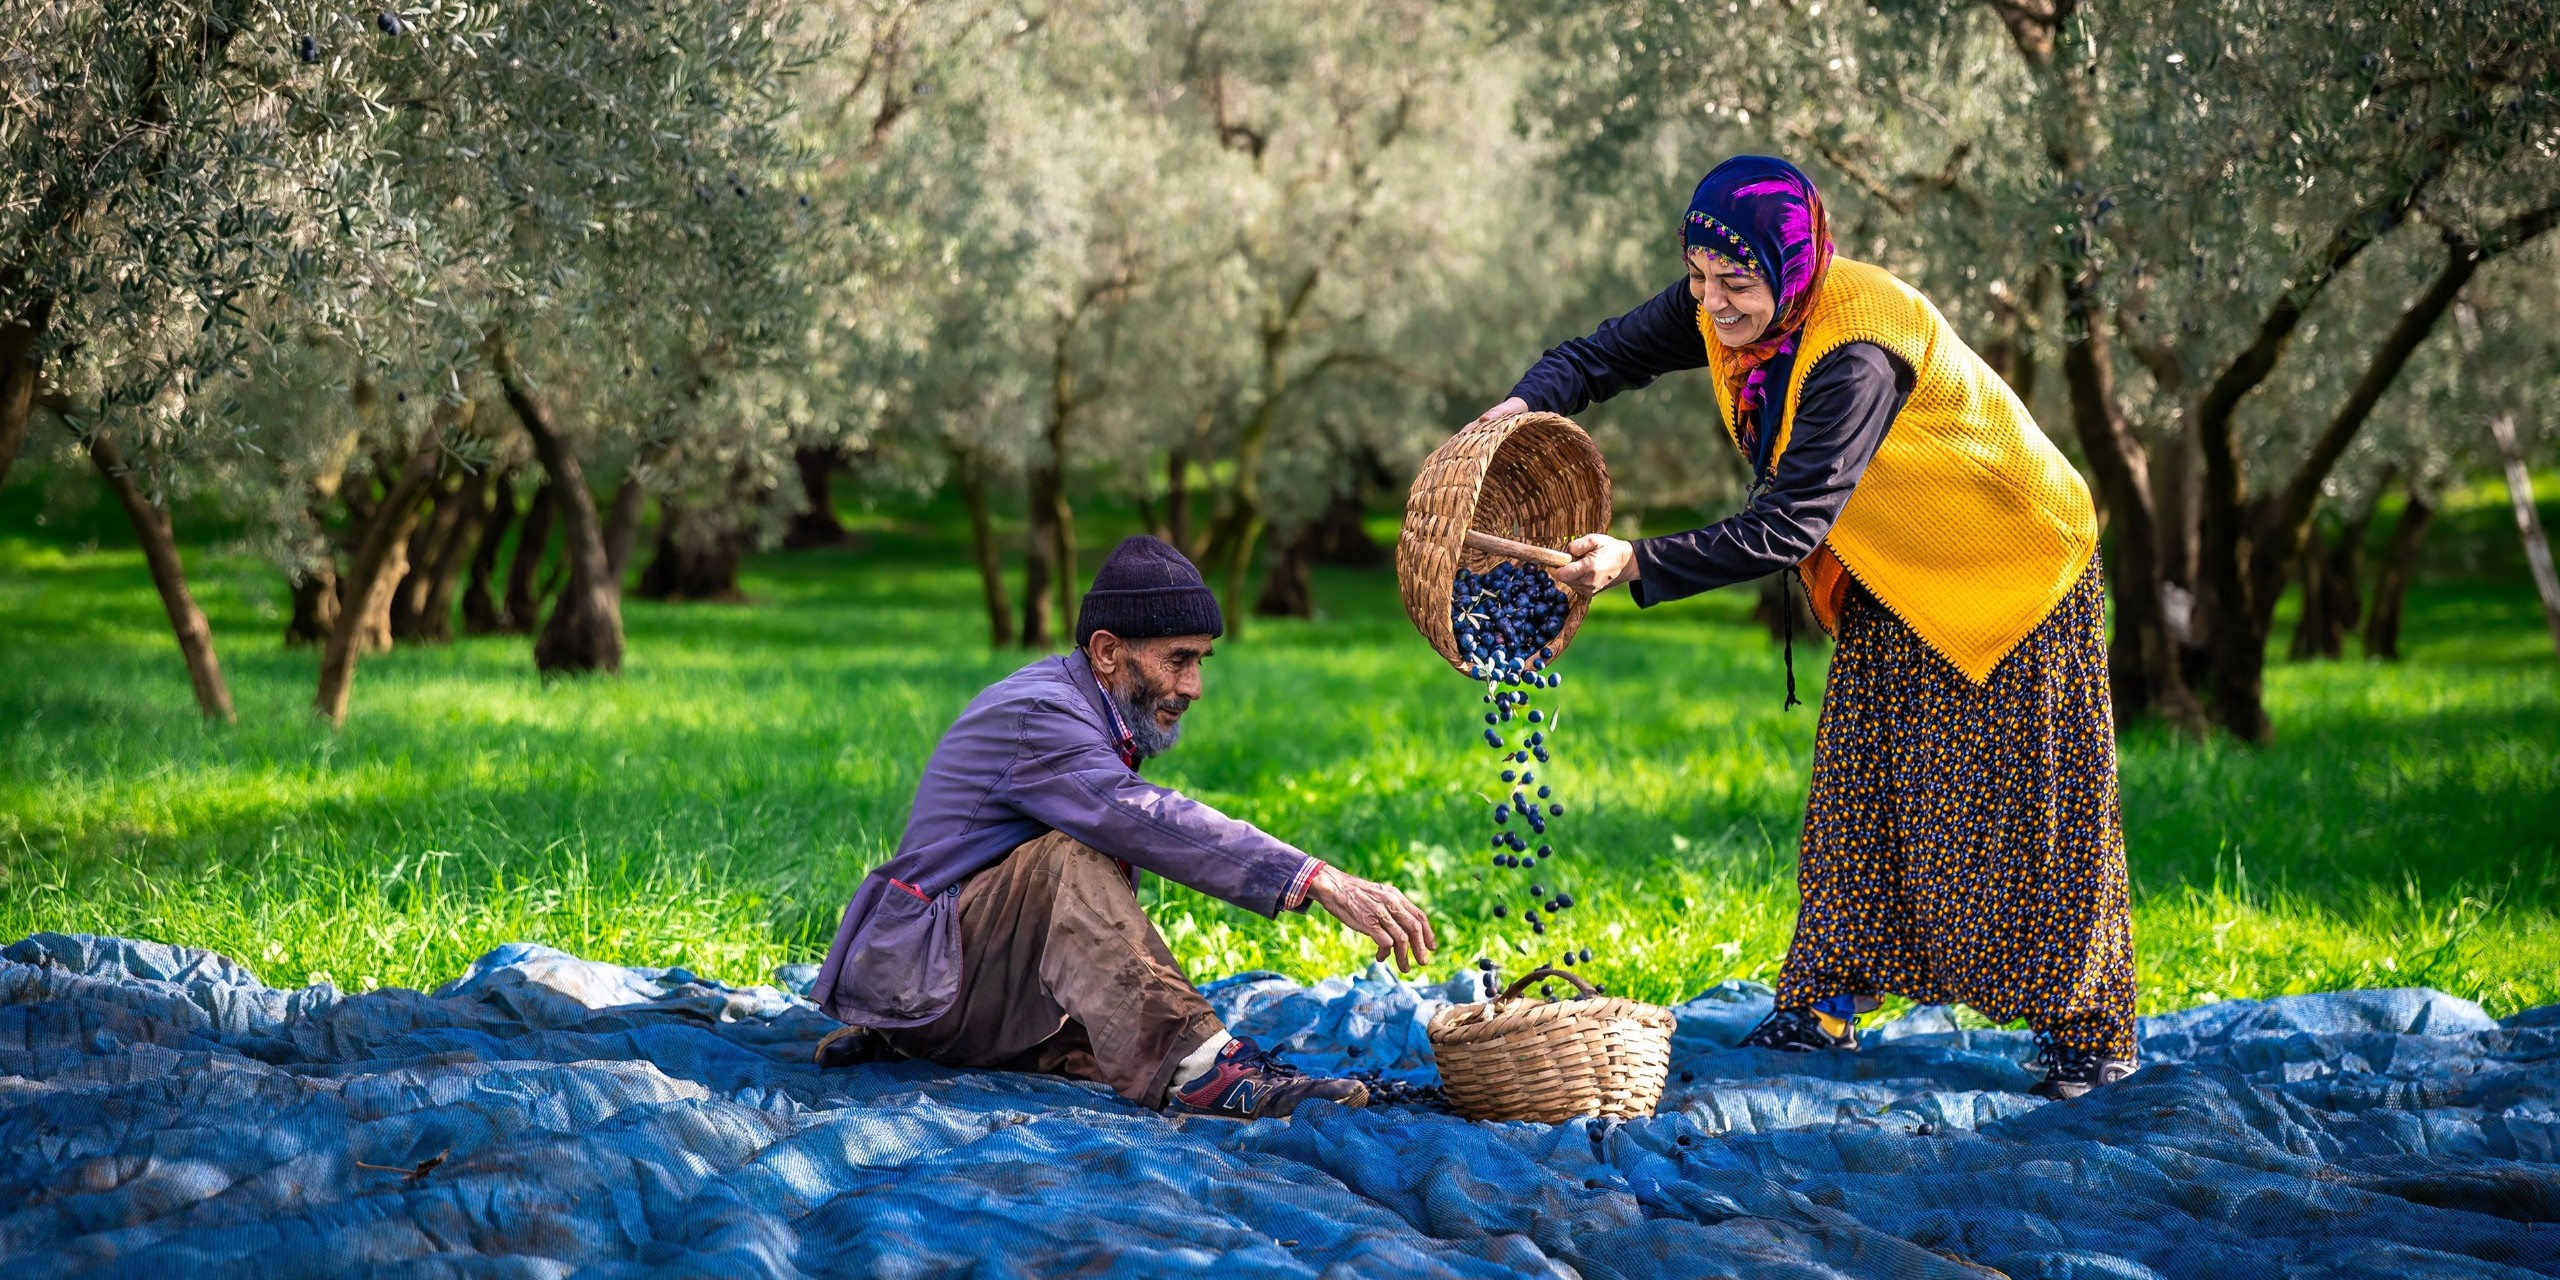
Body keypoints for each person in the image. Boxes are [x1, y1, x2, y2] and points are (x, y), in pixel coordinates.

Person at [1464, 155, 2136, 1100]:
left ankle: (2089, 1030)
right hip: (1895, 566)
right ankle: (1825, 1002)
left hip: (2011, 561)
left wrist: (1635, 562)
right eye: (1699, 277)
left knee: (2028, 807)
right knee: (1860, 783)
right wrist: (1513, 410)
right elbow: (1599, 355)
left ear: (1790, 263)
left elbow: (1788, 526)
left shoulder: (1857, 349)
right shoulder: (1728, 300)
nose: (1713, 303)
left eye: (1735, 282)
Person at [808, 534, 1436, 1118]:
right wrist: (1313, 877)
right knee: (1068, 859)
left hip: (962, 987)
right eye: (1179, 660)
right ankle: (1204, 1073)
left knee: (1116, 1028)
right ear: (1107, 652)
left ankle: (946, 1044)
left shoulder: (1084, 708)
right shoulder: (1042, 713)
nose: (1195, 686)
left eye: (1201, 661)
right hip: (929, 985)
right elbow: (1148, 819)